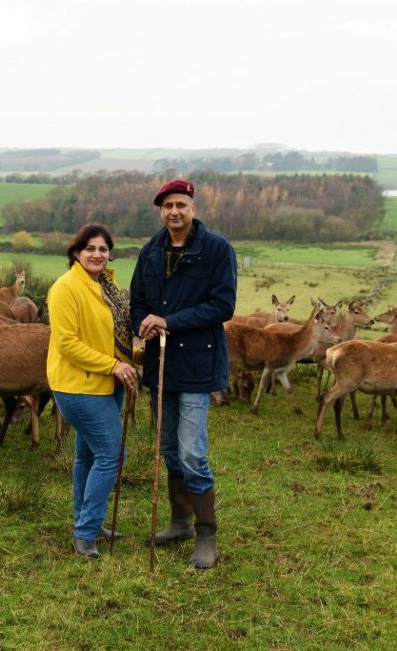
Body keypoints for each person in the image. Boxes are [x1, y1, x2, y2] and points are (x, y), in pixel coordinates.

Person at [130, 179, 236, 570]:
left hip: (197, 364)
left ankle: (207, 534)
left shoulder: (216, 250)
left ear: (193, 208)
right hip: (160, 367)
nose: (175, 211)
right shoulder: (150, 253)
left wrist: (168, 321)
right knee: (170, 449)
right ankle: (180, 522)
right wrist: (143, 322)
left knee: (192, 452)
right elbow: (138, 303)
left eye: (182, 205)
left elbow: (223, 305)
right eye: (168, 205)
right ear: (161, 210)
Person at [46, 223, 139, 560]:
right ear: (76, 253)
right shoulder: (66, 288)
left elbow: (115, 332)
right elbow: (67, 343)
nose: (98, 254)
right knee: (113, 455)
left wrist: (131, 356)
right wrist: (113, 365)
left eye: (103, 249)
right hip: (78, 385)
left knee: (88, 456)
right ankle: (85, 533)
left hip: (107, 384)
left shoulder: (107, 286)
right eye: (91, 249)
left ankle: (87, 523)